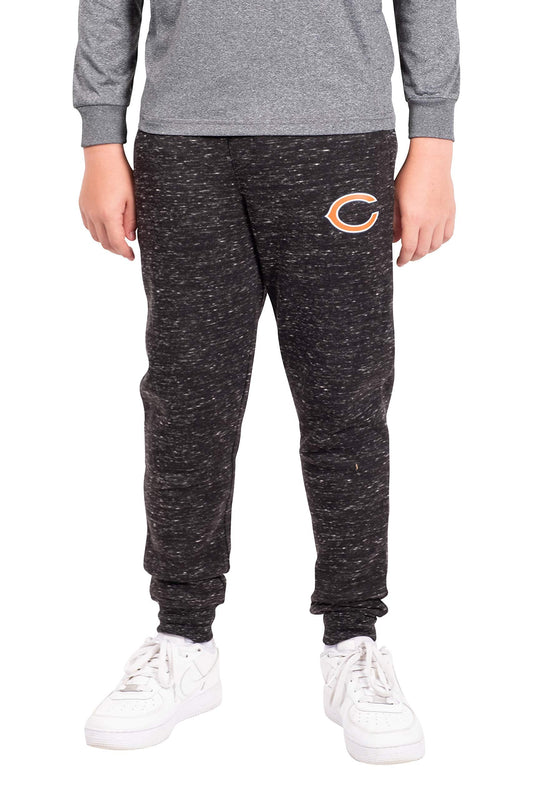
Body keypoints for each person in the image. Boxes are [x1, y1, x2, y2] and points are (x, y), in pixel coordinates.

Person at [73, 0, 459, 763]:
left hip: (340, 134)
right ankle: (183, 636)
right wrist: (99, 137)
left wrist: (434, 137)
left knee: (345, 399)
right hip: (184, 139)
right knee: (187, 400)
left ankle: (352, 638)